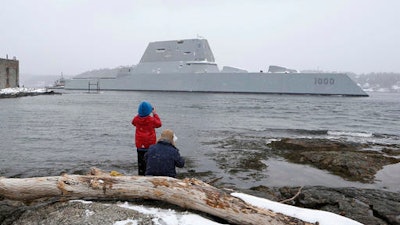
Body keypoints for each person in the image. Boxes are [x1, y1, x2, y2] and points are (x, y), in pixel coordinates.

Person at [132, 101, 162, 175]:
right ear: (149, 111)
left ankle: (141, 174)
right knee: (150, 162)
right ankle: (149, 175)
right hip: (150, 145)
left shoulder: (137, 119)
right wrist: (155, 114)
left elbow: (133, 122)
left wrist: (139, 114)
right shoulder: (151, 120)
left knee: (141, 161)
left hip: (140, 144)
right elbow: (159, 124)